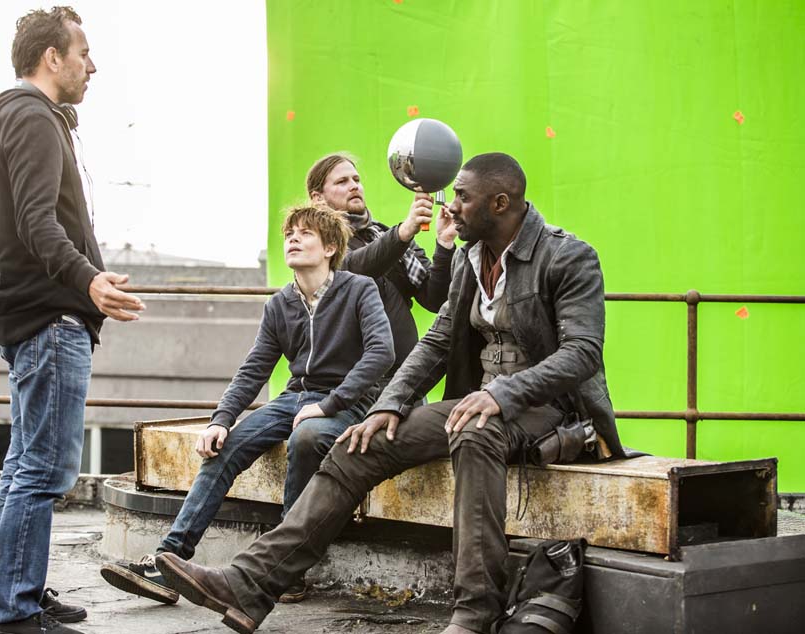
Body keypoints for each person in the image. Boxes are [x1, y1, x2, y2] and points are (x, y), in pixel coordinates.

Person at [151, 153, 627, 634]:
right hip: (477, 402)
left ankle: (475, 612)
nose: (450, 206)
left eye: (463, 197)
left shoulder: (567, 255)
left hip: (552, 409)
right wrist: (387, 406)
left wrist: (504, 395)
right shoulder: (470, 257)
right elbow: (438, 341)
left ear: (499, 203)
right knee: (357, 444)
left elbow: (582, 352)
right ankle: (249, 584)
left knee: (475, 432)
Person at [100, 205, 395, 606]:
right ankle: (168, 561)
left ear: (329, 247)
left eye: (305, 233)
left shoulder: (359, 289)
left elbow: (381, 352)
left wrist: (330, 404)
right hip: (294, 399)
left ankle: (285, 569)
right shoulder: (279, 304)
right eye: (289, 233)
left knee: (307, 438)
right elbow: (254, 368)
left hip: (347, 402)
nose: (293, 238)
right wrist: (220, 420)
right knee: (225, 446)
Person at [0, 7, 145, 634]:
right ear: (52, 57)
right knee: (42, 470)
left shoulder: (12, 118)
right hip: (49, 317)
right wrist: (88, 280)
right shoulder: (34, 118)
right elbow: (38, 224)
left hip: (32, 315)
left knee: (24, 465)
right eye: (83, 53)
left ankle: (22, 593)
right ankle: (15, 610)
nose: (93, 66)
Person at [307, 153, 457, 376]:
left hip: (402, 376)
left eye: (356, 179)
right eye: (342, 182)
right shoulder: (315, 242)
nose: (354, 186)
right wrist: (404, 232)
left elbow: (435, 299)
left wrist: (444, 243)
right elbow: (352, 269)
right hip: (352, 379)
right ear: (318, 198)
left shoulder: (385, 236)